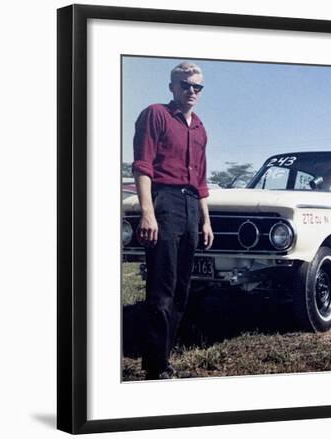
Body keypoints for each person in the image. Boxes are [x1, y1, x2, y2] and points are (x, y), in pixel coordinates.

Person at [132, 61, 214, 380]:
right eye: (185, 85)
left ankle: (165, 357)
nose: (191, 91)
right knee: (162, 288)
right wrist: (147, 212)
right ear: (172, 87)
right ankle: (156, 366)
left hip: (192, 206)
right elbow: (142, 166)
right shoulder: (156, 114)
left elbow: (203, 180)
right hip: (165, 202)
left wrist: (205, 222)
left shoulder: (201, 128)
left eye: (197, 86)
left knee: (181, 288)